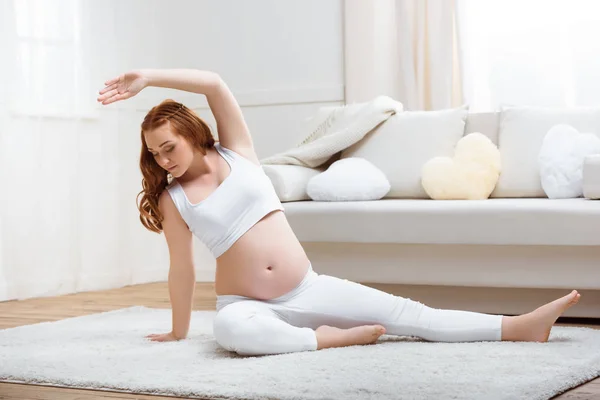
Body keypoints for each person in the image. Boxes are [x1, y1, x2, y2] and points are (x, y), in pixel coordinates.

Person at [97, 69, 581, 356]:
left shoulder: (237, 152)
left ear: (190, 133)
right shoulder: (172, 198)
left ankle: (516, 326)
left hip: (306, 286)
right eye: (155, 155)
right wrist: (179, 331)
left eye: (168, 147)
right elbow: (181, 268)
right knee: (228, 332)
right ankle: (327, 341)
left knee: (412, 316)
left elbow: (215, 84)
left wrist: (148, 77)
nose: (164, 160)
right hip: (244, 303)